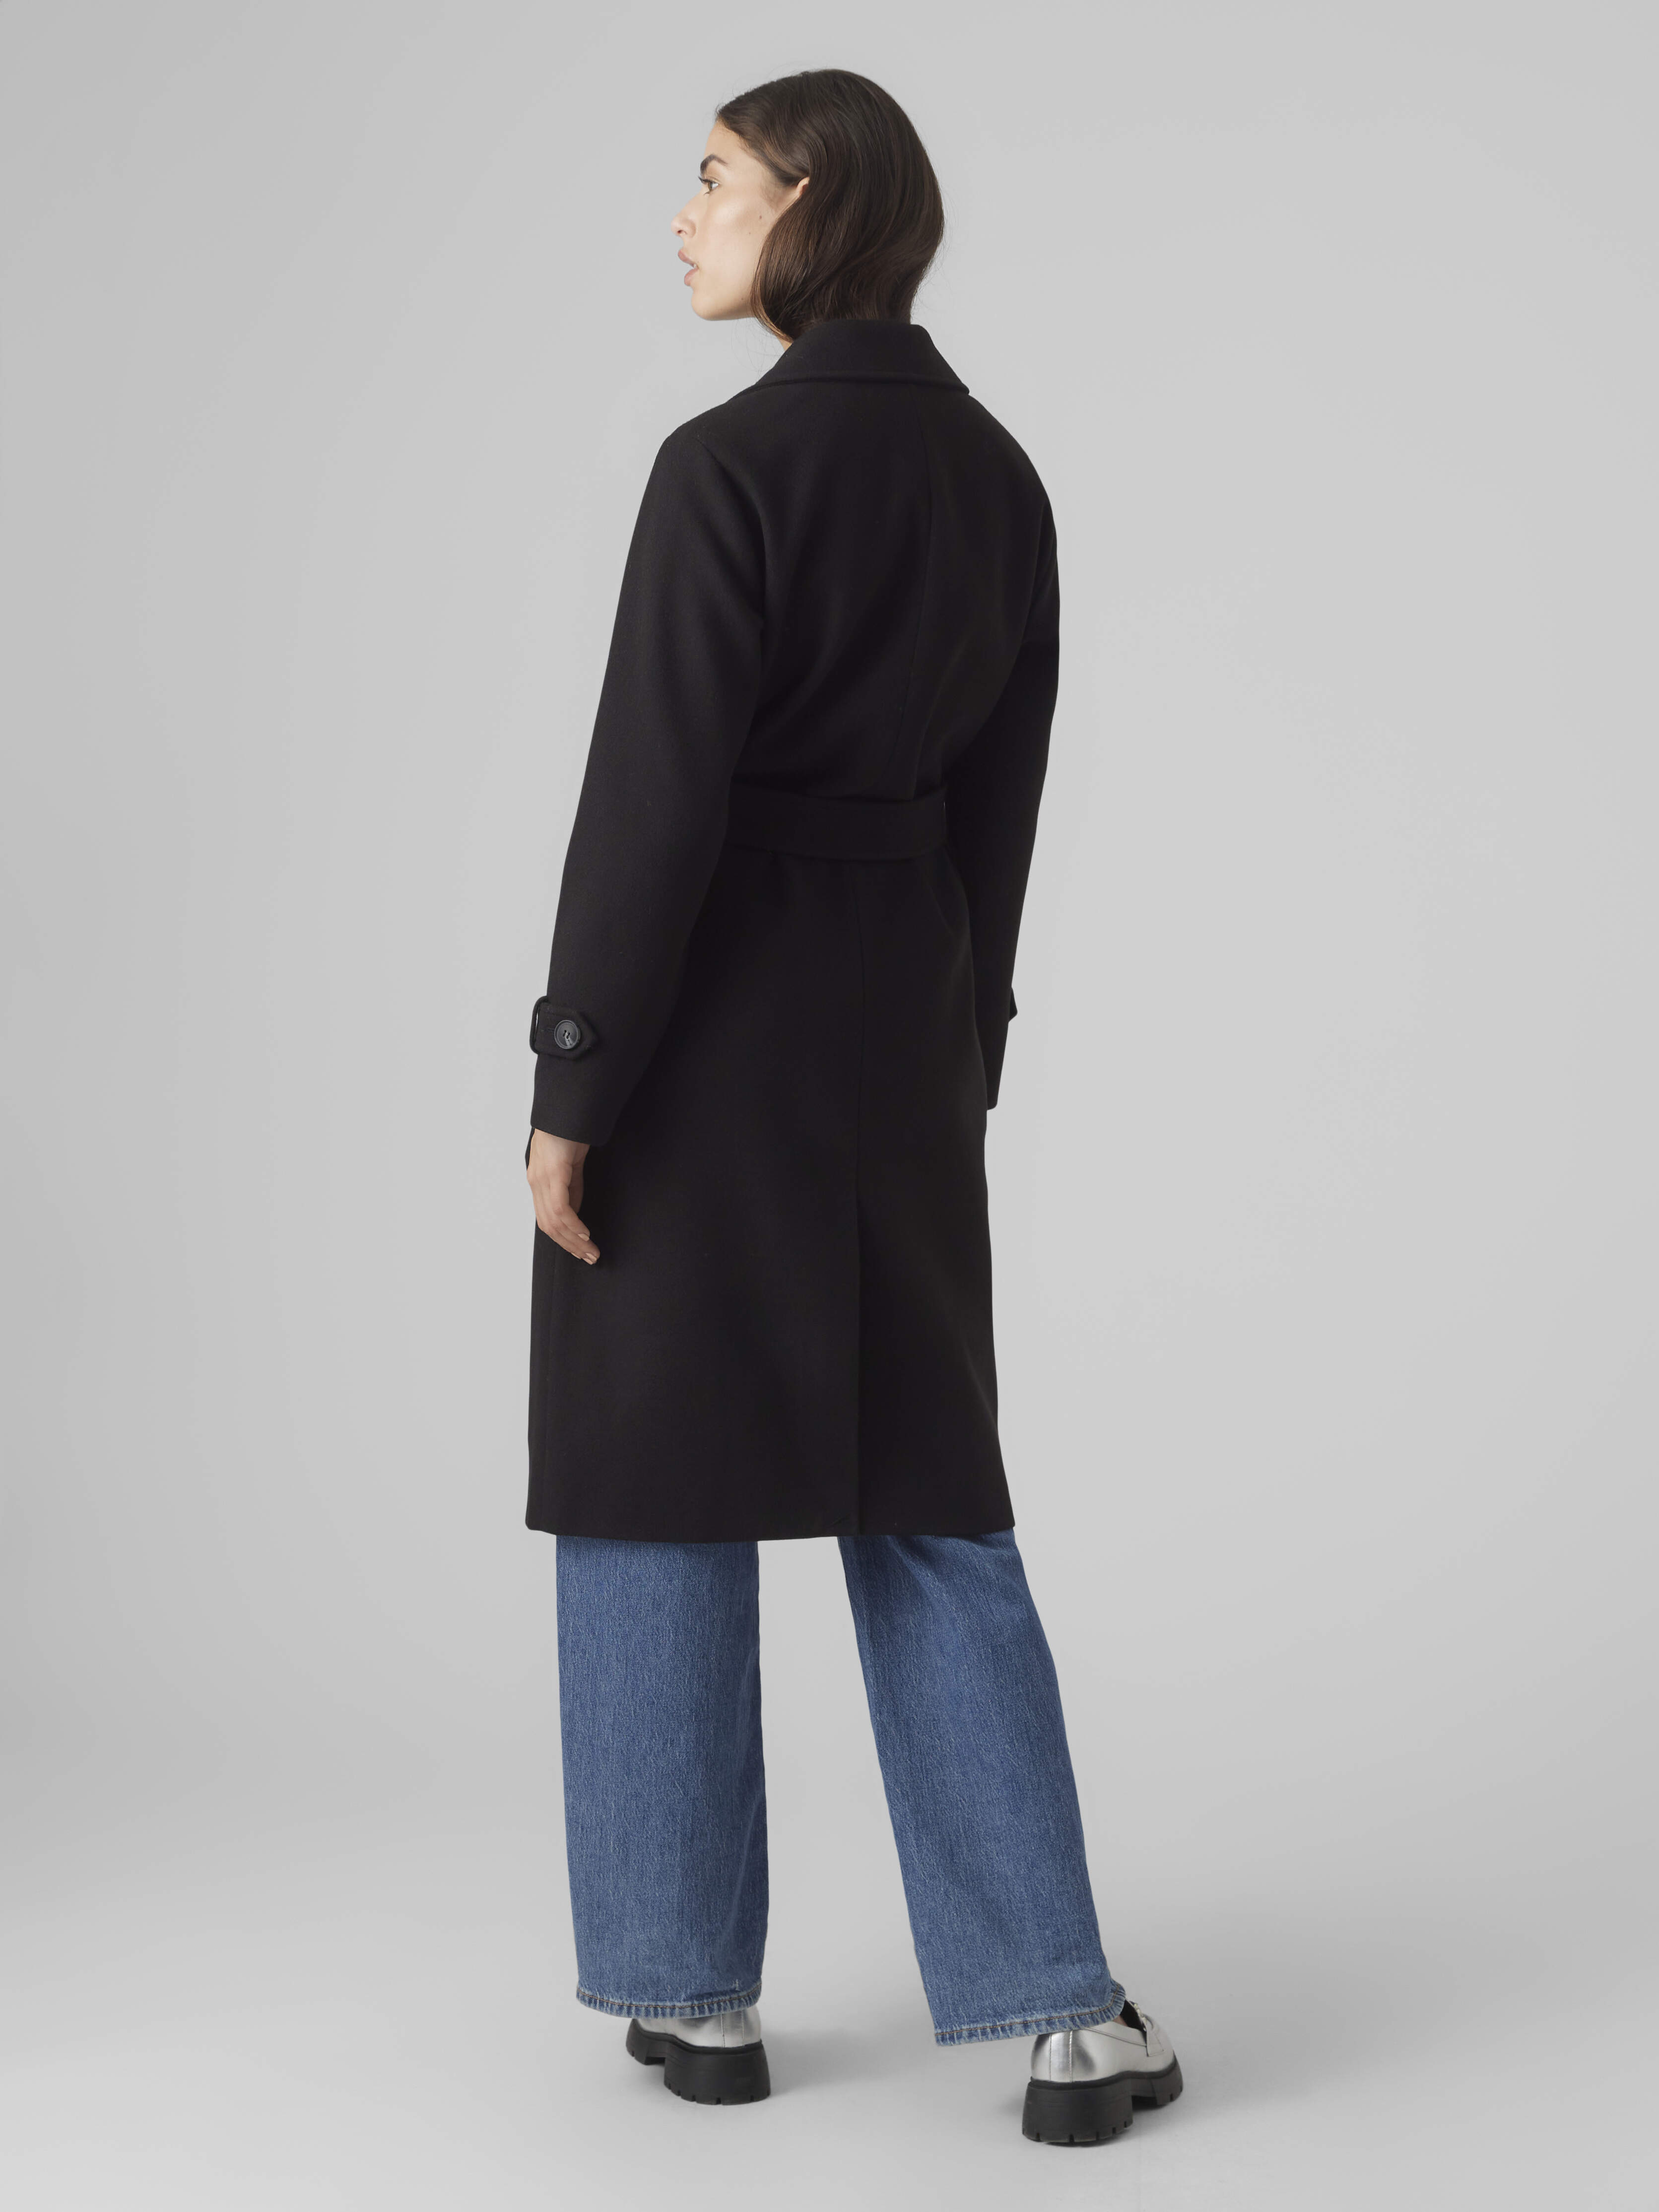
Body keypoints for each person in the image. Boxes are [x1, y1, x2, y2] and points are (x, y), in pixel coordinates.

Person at [523, 68, 1182, 2147]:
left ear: (814, 201)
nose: (684, 215)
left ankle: (692, 1991)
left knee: (653, 1479)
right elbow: (1003, 812)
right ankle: (1063, 2014)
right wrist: (958, 1061)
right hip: (897, 1040)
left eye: (716, 178)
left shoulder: (723, 466)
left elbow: (651, 805)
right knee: (929, 1494)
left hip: (702, 1047)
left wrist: (574, 1073)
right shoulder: (998, 478)